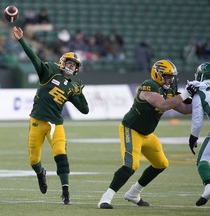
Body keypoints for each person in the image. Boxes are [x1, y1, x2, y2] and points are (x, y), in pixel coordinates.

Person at [98, 59, 197, 209]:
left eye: (172, 76)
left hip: (147, 134)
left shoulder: (168, 90)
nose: (171, 79)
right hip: (131, 129)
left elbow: (184, 109)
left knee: (161, 163)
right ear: (157, 74)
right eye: (167, 76)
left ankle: (133, 193)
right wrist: (186, 93)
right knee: (131, 165)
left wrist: (201, 100)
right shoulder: (149, 86)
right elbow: (163, 105)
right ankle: (106, 198)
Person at [12, 26, 89, 204]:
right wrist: (22, 40)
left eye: (74, 65)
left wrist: (80, 93)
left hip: (55, 124)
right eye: (69, 63)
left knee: (61, 153)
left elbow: (85, 110)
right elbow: (33, 58)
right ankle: (40, 172)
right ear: (62, 62)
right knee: (33, 160)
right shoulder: (49, 71)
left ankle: (66, 192)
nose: (71, 66)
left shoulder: (72, 87)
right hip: (37, 122)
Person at [188, 62, 210, 206]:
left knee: (203, 160)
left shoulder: (199, 88)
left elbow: (197, 120)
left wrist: (193, 137)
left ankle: (208, 187)